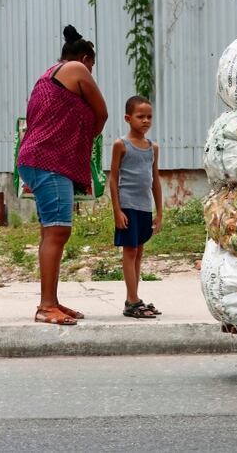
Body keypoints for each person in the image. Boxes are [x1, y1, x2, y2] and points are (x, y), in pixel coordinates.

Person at [17, 26, 107, 325]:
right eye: (92, 65)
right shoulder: (76, 69)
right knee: (58, 231)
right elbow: (102, 113)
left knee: (51, 231)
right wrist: (87, 139)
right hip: (49, 160)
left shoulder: (47, 75)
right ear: (85, 58)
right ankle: (45, 306)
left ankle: (52, 301)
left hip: (37, 158)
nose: (90, 72)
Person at [109, 95, 163, 318]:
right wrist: (117, 210)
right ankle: (132, 301)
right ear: (128, 118)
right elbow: (113, 178)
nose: (146, 121)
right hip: (128, 206)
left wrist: (159, 213)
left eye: (149, 116)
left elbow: (155, 180)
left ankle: (134, 297)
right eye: (140, 116)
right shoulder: (121, 145)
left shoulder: (153, 147)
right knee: (130, 251)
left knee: (139, 251)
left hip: (144, 207)